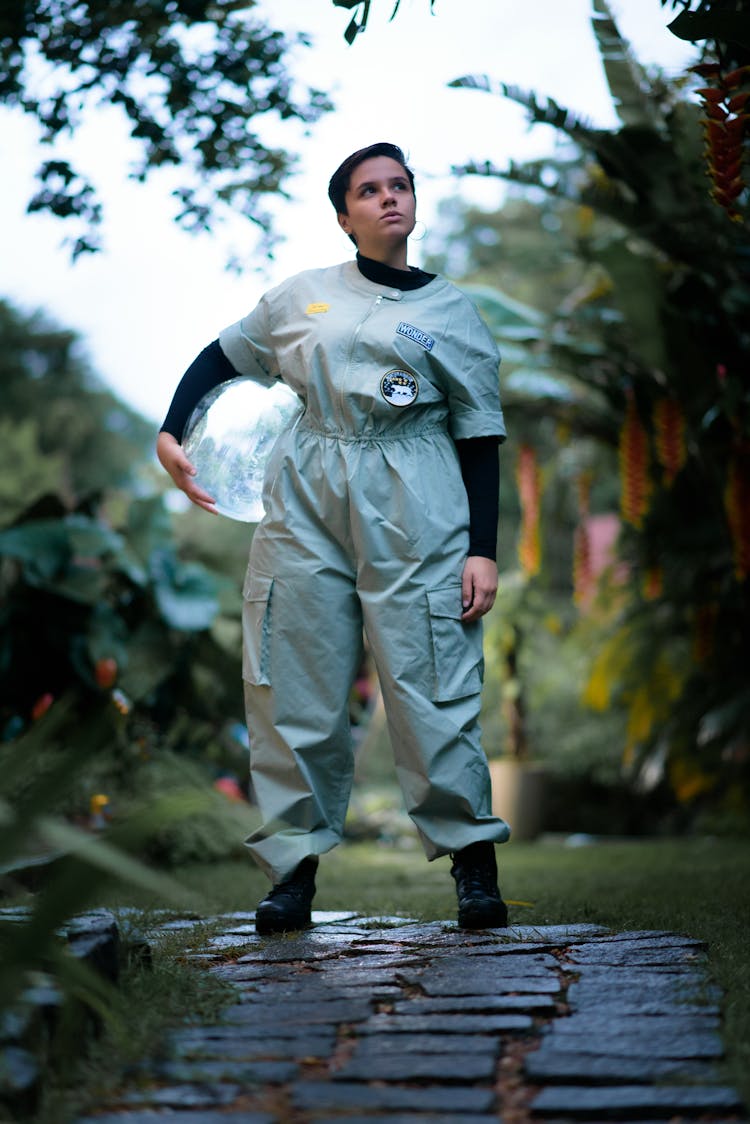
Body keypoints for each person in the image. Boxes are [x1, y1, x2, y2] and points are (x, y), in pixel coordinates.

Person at [157, 142, 511, 934]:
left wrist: (481, 548)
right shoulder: (300, 298)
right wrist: (171, 429)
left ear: (414, 202)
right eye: (369, 190)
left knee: (431, 673)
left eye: (400, 186)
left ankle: (474, 867)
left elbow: (480, 438)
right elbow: (222, 356)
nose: (389, 199)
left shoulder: (453, 313)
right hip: (308, 489)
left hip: (416, 491)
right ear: (343, 215)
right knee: (293, 671)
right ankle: (292, 876)